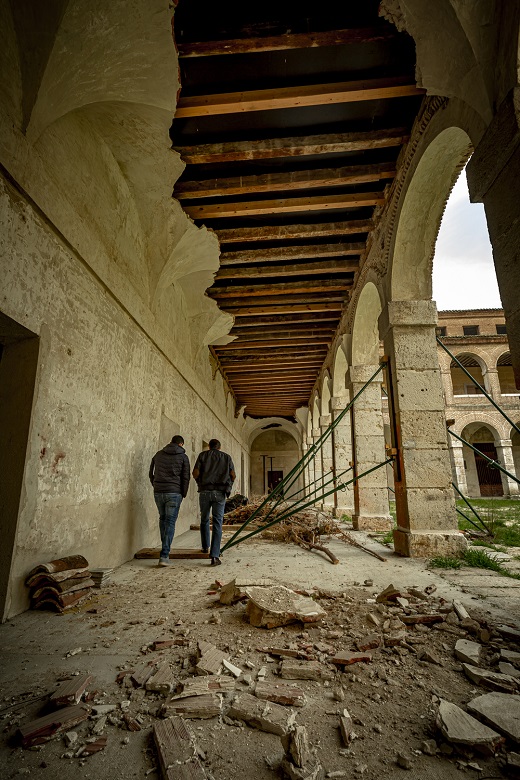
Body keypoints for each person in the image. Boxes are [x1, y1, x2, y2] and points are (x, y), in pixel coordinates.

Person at [149, 434, 190, 567]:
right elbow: (185, 477)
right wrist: (183, 493)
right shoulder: (183, 457)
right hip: (174, 492)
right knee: (170, 522)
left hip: (159, 491)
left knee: (163, 519)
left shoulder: (158, 455)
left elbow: (151, 472)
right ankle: (164, 555)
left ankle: (164, 548)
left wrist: (155, 485)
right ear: (181, 444)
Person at [192, 439, 236, 566]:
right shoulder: (226, 457)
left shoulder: (202, 455)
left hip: (205, 491)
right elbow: (233, 475)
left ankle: (205, 547)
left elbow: (195, 473)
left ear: (209, 447)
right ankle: (215, 556)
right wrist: (228, 487)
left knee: (204, 519)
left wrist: (200, 483)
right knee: (217, 522)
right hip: (220, 493)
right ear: (219, 447)